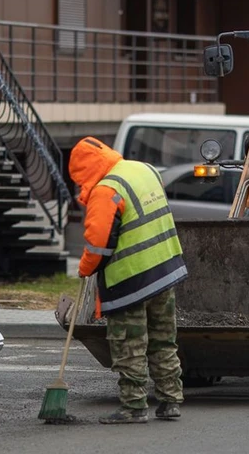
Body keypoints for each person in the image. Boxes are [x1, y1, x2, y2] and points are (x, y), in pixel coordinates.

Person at [68, 136, 189, 425]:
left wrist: (84, 268)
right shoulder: (144, 169)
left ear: (83, 170)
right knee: (163, 340)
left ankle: (134, 407)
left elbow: (98, 244)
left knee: (129, 344)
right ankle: (171, 400)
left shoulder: (106, 190)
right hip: (164, 269)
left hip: (131, 279)